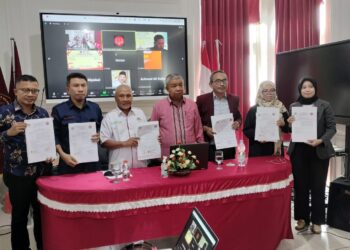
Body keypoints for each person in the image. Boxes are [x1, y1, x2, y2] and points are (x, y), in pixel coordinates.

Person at [0, 75, 52, 250]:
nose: (30, 94)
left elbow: (47, 141)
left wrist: (49, 154)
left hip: (41, 173)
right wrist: (9, 133)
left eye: (34, 90)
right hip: (17, 175)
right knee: (20, 217)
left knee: (41, 216)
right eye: (25, 90)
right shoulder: (4, 112)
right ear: (16, 91)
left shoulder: (42, 113)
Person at [287, 77, 336, 234]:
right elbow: (290, 130)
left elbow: (332, 128)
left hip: (319, 151)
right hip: (299, 152)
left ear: (315, 88)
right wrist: (289, 123)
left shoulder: (325, 105)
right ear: (299, 90)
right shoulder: (294, 106)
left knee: (318, 187)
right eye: (304, 87)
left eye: (310, 87)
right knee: (300, 187)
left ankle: (317, 221)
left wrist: (320, 140)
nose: (307, 89)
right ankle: (302, 219)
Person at [52, 72, 103, 174]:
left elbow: (102, 129)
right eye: (76, 85)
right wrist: (62, 155)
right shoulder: (58, 110)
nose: (80, 89)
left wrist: (99, 135)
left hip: (92, 163)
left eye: (83, 85)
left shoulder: (95, 108)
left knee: (95, 189)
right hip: (69, 163)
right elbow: (54, 136)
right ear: (68, 89)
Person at [150, 73, 204, 157]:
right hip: (167, 155)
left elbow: (198, 129)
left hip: (190, 154)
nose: (178, 88)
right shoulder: (158, 106)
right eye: (174, 86)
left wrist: (201, 149)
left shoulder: (192, 105)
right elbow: (152, 131)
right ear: (167, 88)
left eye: (180, 85)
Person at [196, 70, 242, 161]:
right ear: (210, 84)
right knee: (211, 174)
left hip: (229, 145)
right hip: (210, 145)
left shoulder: (234, 99)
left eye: (224, 80)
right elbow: (195, 122)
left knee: (229, 171)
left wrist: (237, 122)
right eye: (218, 81)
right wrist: (206, 129)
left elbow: (238, 117)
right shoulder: (202, 100)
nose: (222, 84)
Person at [100, 85, 147, 168]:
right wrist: (124, 143)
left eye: (128, 96)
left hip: (141, 166)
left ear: (132, 97)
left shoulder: (140, 113)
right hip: (118, 168)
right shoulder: (109, 117)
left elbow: (147, 135)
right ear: (115, 98)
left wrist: (154, 138)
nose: (125, 99)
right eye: (121, 96)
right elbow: (104, 142)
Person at [243, 80, 289, 157]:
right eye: (265, 90)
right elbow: (246, 130)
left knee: (277, 169)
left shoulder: (281, 108)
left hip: (276, 149)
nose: (269, 93)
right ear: (261, 92)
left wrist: (283, 124)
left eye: (272, 90)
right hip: (258, 149)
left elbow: (287, 129)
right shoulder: (254, 109)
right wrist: (259, 136)